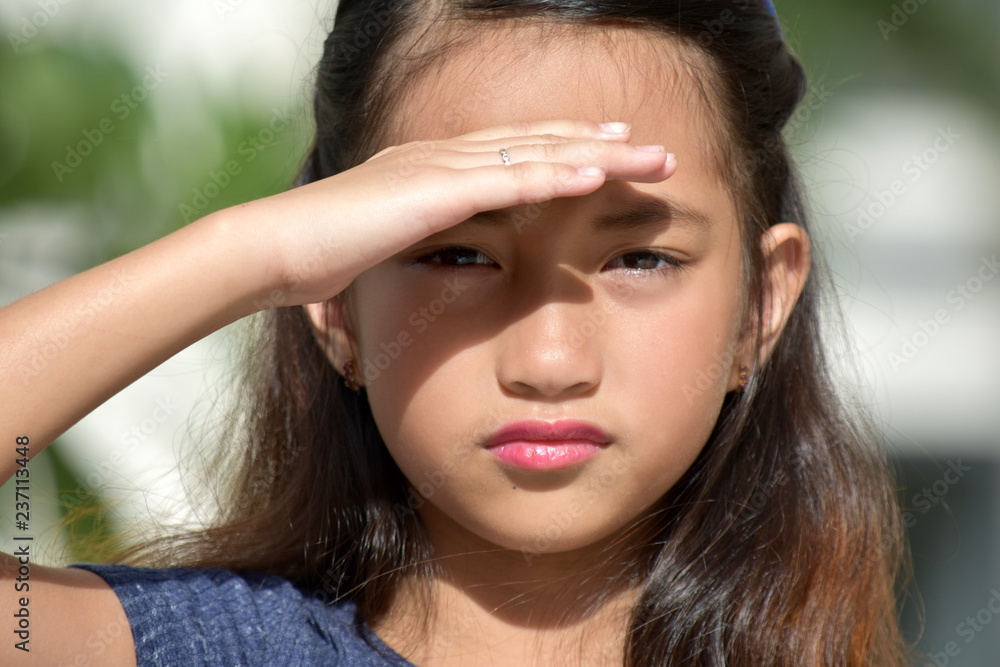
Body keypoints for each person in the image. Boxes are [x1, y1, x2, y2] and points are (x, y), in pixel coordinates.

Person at [0, 0, 912, 664]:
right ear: (336, 307)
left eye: (640, 260)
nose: (550, 362)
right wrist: (254, 251)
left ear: (763, 304)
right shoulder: (215, 650)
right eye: (458, 258)